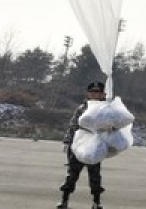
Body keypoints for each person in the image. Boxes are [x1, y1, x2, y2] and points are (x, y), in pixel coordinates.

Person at [57, 81, 107, 209]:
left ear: (102, 94)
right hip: (80, 144)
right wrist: (68, 141)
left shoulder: (106, 109)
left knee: (95, 176)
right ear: (88, 94)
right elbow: (73, 125)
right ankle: (64, 200)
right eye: (92, 92)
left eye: (97, 92)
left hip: (95, 145)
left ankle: (96, 202)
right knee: (72, 174)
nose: (94, 94)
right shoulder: (81, 108)